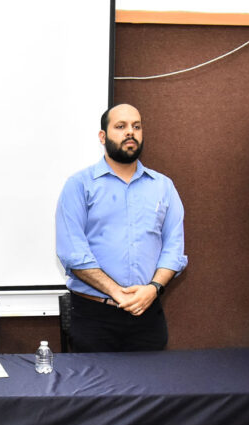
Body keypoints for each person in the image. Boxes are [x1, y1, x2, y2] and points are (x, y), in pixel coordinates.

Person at [55, 104, 188, 352]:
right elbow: (73, 253)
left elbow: (174, 249)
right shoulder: (79, 185)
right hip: (95, 317)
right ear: (102, 137)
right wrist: (117, 292)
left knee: (151, 389)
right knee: (95, 391)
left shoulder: (163, 186)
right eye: (121, 126)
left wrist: (153, 288)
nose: (130, 132)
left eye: (136, 127)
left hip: (148, 313)